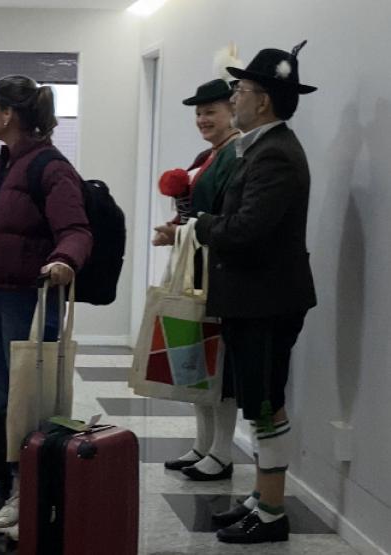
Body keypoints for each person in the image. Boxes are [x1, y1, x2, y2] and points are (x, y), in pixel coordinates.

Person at [160, 42, 318, 544]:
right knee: (258, 402)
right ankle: (261, 498)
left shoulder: (276, 155)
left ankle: (272, 511)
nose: (236, 97)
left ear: (263, 100)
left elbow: (246, 228)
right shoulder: (263, 148)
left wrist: (200, 223)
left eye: (242, 90)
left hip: (266, 300)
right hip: (255, 298)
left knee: (266, 404)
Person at [0, 75, 92, 539]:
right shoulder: (2, 166)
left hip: (29, 299)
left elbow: (76, 229)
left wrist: (63, 259)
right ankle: (21, 490)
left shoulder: (50, 168)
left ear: (9, 114)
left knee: (31, 400)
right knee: (7, 397)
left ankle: (34, 497)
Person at [153, 74, 242, 482]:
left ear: (232, 111)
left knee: (219, 365)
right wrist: (175, 226)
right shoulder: (207, 157)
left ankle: (222, 451)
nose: (203, 119)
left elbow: (221, 216)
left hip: (221, 272)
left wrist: (182, 231)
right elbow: (193, 211)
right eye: (199, 113)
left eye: (211, 112)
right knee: (197, 360)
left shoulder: (235, 154)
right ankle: (203, 443)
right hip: (199, 270)